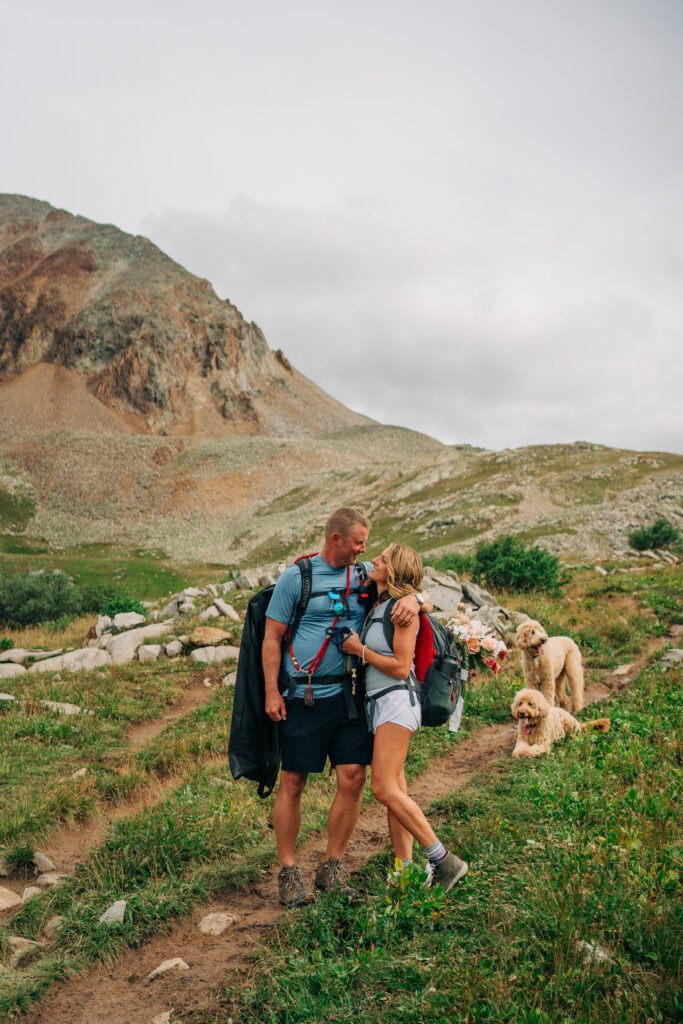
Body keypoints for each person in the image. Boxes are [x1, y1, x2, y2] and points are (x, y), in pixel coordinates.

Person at [263, 508, 426, 907]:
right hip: (304, 693)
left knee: (352, 778)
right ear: (336, 539)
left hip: (350, 694)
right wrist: (271, 691)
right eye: (358, 543)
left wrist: (418, 600)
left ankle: (331, 868)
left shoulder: (365, 574)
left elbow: (408, 575)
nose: (364, 550)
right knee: (294, 781)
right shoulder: (296, 578)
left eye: (367, 546)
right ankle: (288, 871)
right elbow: (272, 637)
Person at [342, 543, 468, 892]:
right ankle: (406, 871)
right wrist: (419, 597)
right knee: (396, 788)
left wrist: (359, 650)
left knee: (383, 787)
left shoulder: (402, 610)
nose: (375, 561)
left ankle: (444, 860)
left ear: (394, 570)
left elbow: (400, 667)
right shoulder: (384, 603)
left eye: (382, 558)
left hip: (396, 703)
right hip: (382, 705)